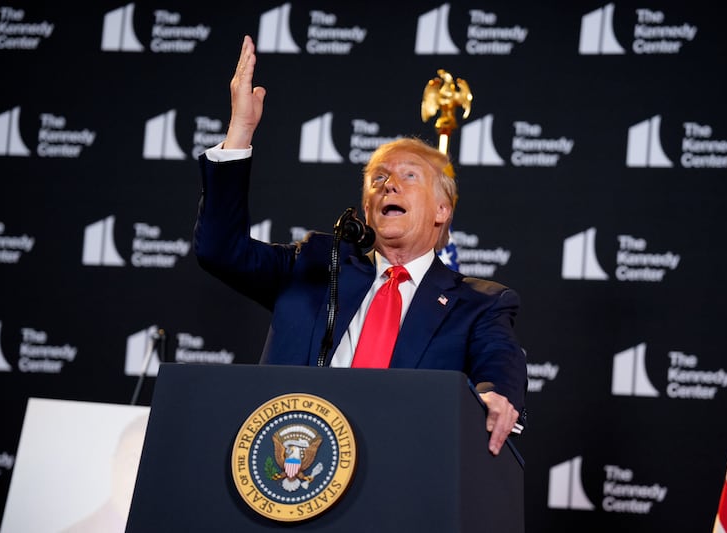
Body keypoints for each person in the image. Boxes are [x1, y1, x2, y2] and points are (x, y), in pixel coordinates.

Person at [194, 35, 527, 456]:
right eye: (378, 178)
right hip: (296, 464)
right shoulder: (315, 265)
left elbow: (500, 361)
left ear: (442, 210)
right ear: (368, 207)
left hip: (400, 470)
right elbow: (219, 250)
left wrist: (497, 395)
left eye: (409, 176)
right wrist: (240, 131)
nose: (389, 183)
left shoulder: (481, 303)